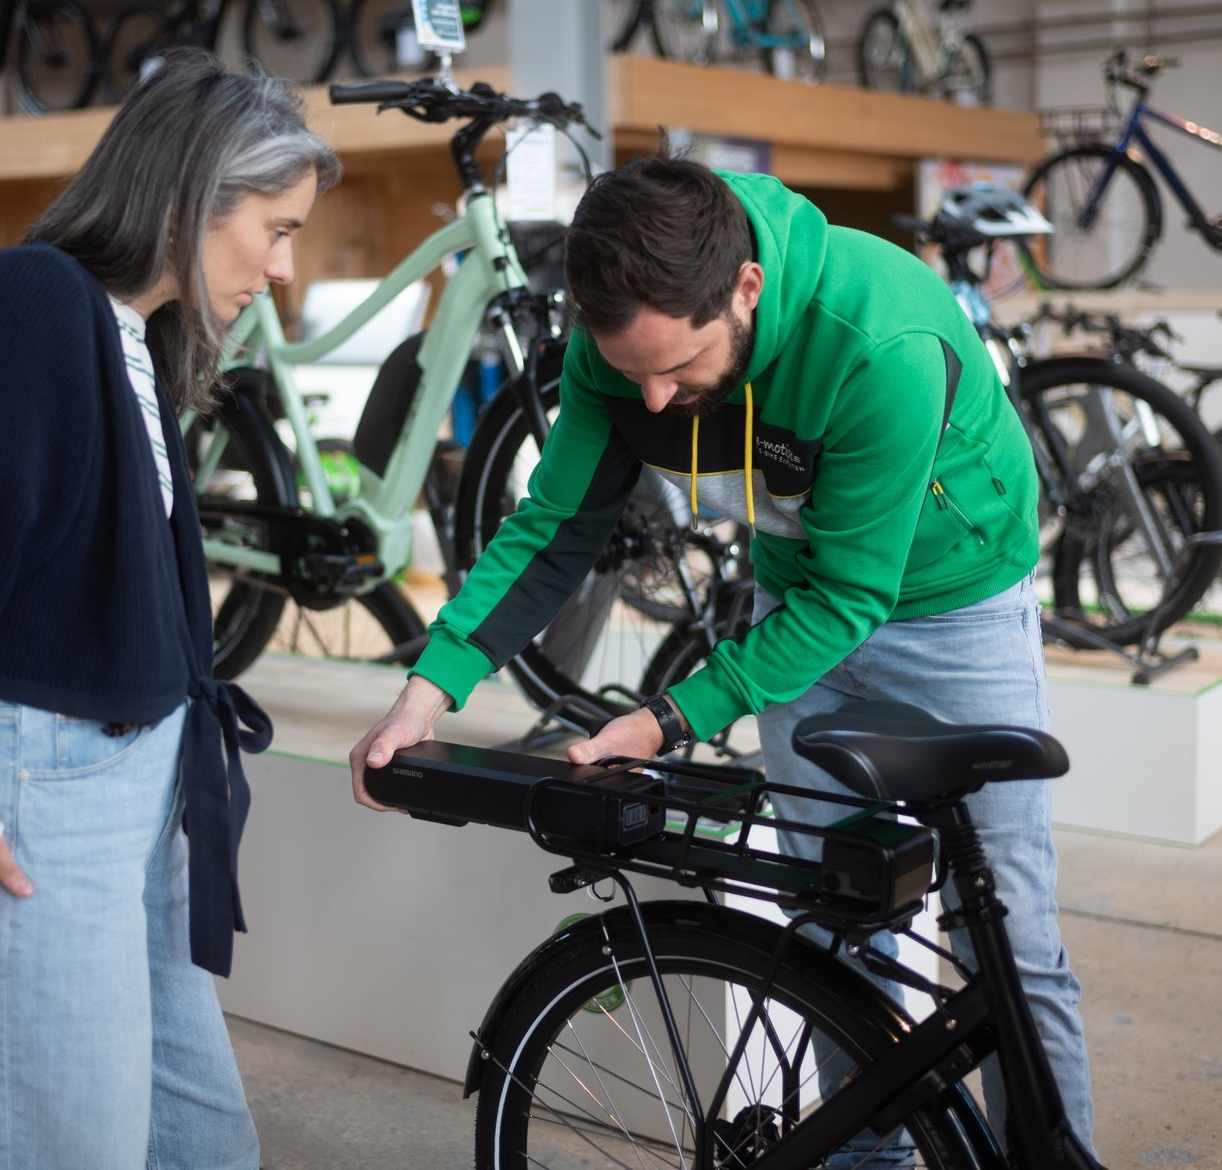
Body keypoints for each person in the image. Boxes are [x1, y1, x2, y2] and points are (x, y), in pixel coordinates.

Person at [350, 153, 1095, 1159]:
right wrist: (426, 690)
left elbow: (852, 595)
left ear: (745, 287)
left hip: (954, 607)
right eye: (629, 370)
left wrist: (671, 713)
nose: (652, 400)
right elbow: (554, 526)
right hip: (803, 597)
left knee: (1004, 934)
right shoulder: (619, 341)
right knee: (841, 915)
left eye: (677, 367)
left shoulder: (877, 338)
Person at [0, 48, 338, 1169]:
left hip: (137, 773)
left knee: (191, 1131)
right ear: (188, 194)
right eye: (275, 226)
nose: (281, 266)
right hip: (39, 780)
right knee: (52, 1129)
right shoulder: (26, 305)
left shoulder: (130, 331)